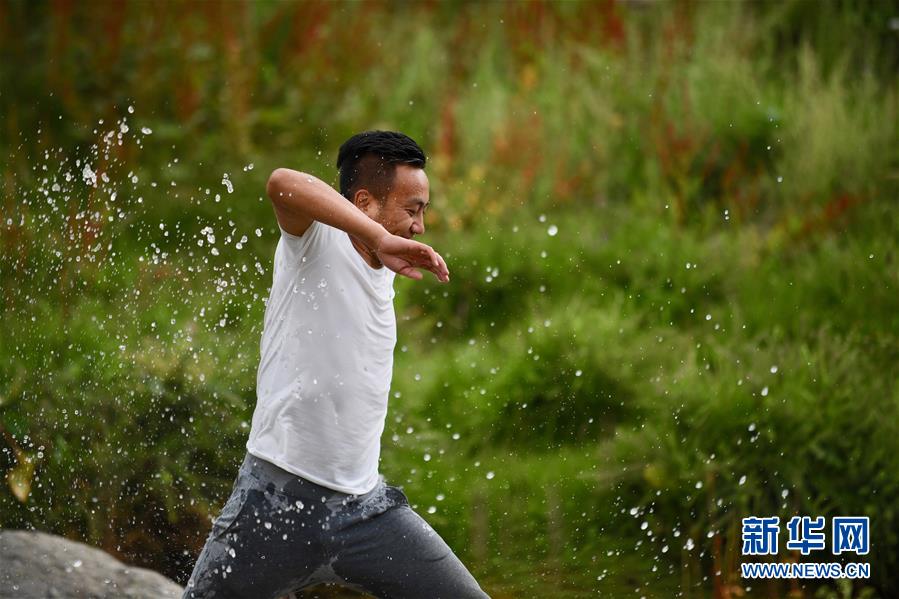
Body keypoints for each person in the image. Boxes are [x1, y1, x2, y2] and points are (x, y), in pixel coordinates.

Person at [183, 131, 489, 598]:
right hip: (273, 504)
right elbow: (282, 182)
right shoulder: (314, 241)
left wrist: (381, 242)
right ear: (365, 203)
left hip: (366, 516)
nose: (420, 227)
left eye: (424, 211)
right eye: (412, 210)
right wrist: (378, 236)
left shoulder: (384, 268)